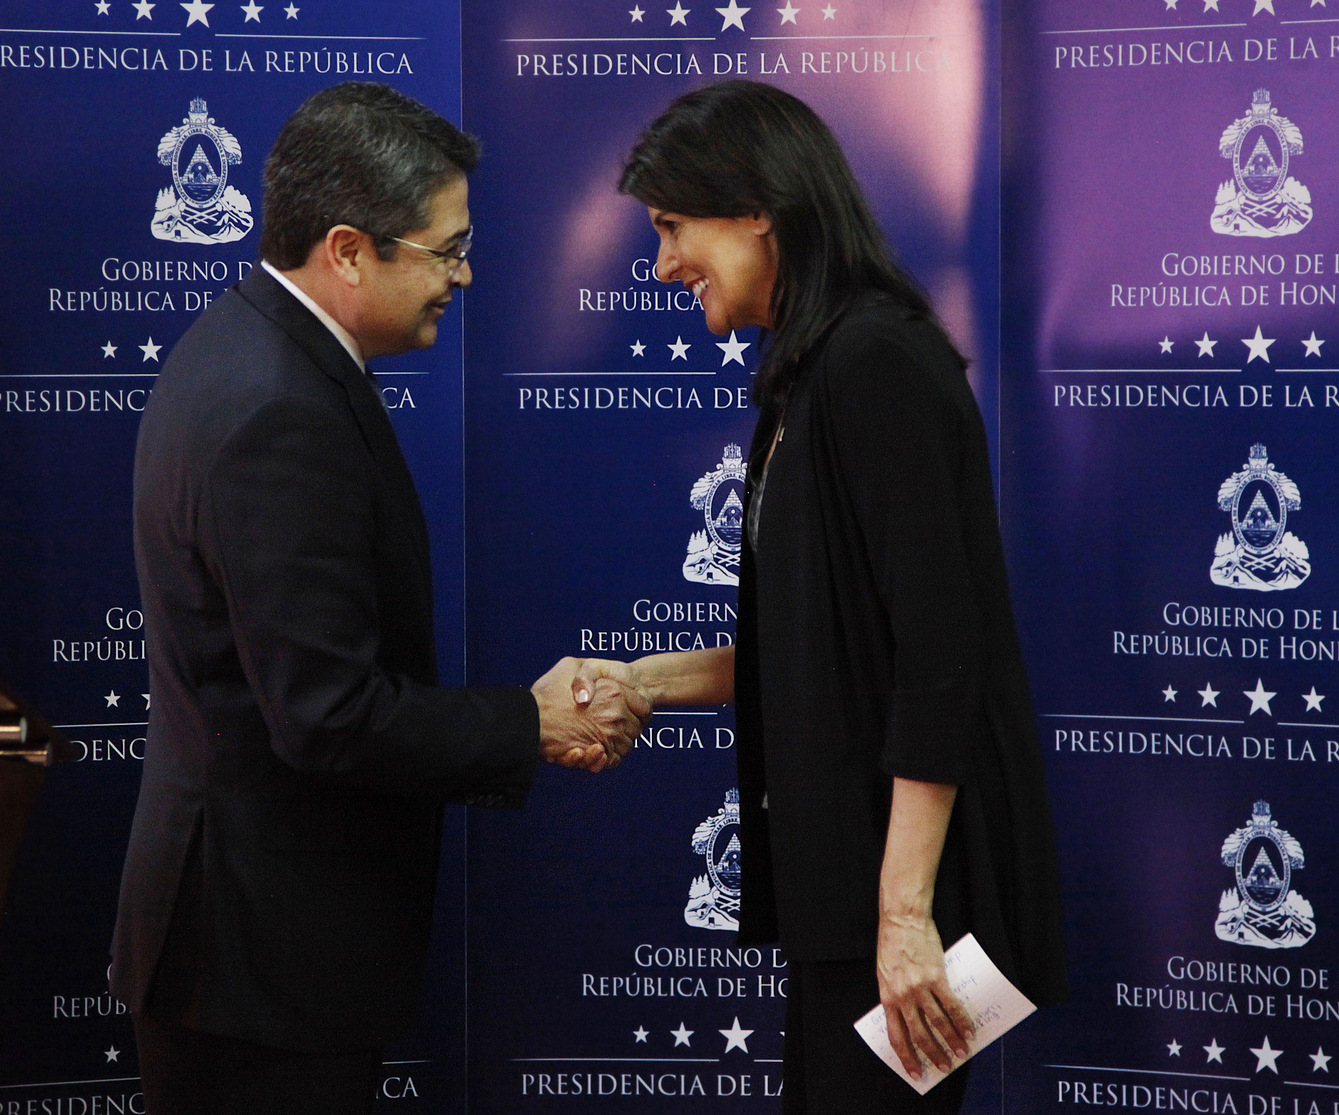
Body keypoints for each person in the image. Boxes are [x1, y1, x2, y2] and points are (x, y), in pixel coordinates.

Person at [110, 82, 645, 1115]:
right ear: (350, 250)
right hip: (257, 970)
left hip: (251, 950)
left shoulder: (253, 351)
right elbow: (324, 713)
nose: (465, 273)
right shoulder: (278, 408)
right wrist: (524, 720)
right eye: (444, 249)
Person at [574, 80, 1068, 1113]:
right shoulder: (806, 373)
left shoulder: (874, 359)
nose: (663, 263)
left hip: (915, 913)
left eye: (672, 226)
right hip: (850, 908)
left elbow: (938, 654)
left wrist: (903, 919)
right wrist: (639, 681)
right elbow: (821, 646)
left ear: (757, 207)